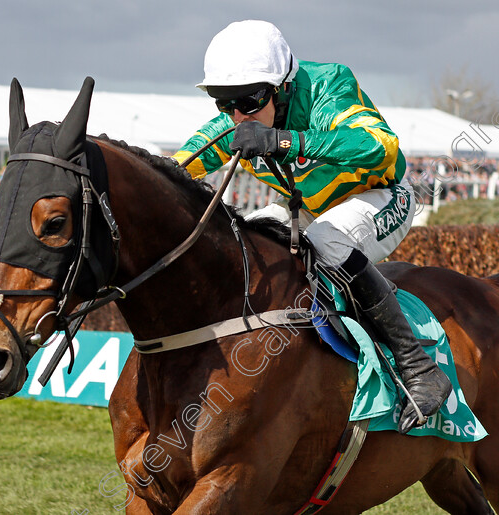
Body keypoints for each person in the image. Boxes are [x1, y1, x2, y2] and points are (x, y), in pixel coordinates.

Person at [171, 20, 451, 433]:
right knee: (248, 238)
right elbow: (180, 165)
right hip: (308, 207)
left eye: (248, 102)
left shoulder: (329, 85)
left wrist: (285, 141)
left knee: (326, 241)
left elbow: (381, 148)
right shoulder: (238, 116)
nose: (237, 117)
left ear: (282, 87)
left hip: (381, 195)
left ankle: (419, 367)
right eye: (222, 104)